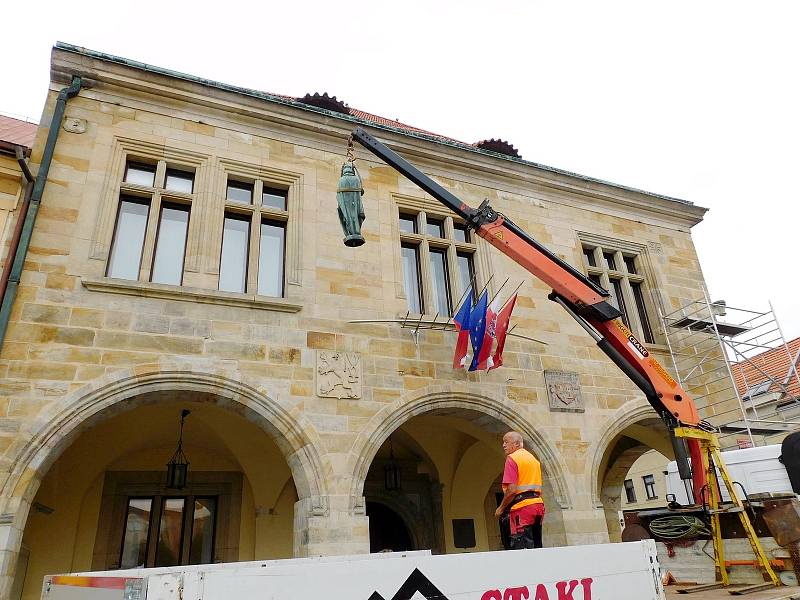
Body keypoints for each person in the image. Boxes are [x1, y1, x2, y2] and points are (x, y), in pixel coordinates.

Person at [494, 431, 545, 549]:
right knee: (537, 543)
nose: (503, 445)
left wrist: (501, 508)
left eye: (506, 442)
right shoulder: (533, 459)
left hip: (522, 508)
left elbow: (512, 490)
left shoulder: (512, 458)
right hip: (538, 505)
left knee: (521, 545)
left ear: (517, 443)